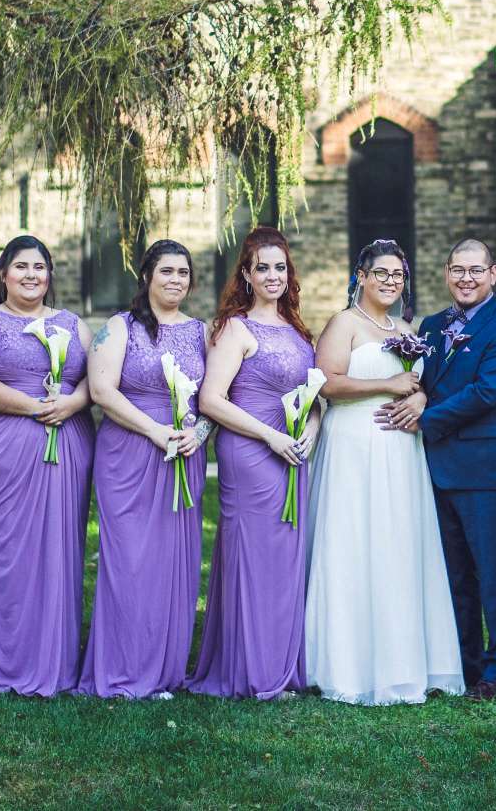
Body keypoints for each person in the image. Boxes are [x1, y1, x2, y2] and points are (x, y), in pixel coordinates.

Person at [303, 239, 465, 704]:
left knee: (398, 543)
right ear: (361, 276)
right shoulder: (344, 324)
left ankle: (403, 659)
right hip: (355, 445)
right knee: (354, 542)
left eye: (398, 275)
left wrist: (418, 397)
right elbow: (326, 383)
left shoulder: (406, 328)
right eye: (382, 274)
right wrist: (386, 384)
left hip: (401, 450)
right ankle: (347, 663)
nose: (391, 282)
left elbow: (420, 385)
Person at [378, 237, 496, 700]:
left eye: (476, 270)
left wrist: (425, 417)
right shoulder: (432, 324)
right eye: (458, 270)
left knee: (495, 575)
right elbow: (426, 377)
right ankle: (466, 665)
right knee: (453, 576)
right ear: (446, 272)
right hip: (436, 470)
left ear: (493, 274)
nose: (466, 278)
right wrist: (420, 393)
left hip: (485, 472)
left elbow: (486, 392)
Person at [0, 234, 96, 696]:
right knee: (6, 552)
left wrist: (72, 403)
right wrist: (34, 407)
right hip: (2, 448)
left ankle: (53, 660)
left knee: (58, 548)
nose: (31, 275)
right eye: (21, 267)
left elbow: (100, 378)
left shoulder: (73, 324)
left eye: (39, 267)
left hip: (66, 441)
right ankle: (2, 661)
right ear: (3, 274)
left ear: (49, 275)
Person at [188, 227, 322, 699]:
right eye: (262, 267)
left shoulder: (299, 329)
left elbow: (314, 395)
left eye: (280, 267)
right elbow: (211, 400)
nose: (272, 275)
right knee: (254, 557)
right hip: (251, 452)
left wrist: (310, 430)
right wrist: (270, 436)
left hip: (293, 451)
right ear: (245, 273)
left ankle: (283, 665)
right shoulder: (236, 328)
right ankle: (253, 671)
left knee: (286, 560)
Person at [78, 240, 210, 698]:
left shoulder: (201, 332)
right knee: (131, 563)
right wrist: (155, 430)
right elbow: (101, 391)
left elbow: (212, 398)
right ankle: (123, 669)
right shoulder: (121, 328)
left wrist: (200, 433)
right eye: (167, 272)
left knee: (175, 564)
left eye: (183, 272)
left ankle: (165, 670)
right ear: (148, 277)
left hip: (184, 453)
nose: (176, 280)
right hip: (130, 452)